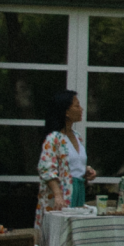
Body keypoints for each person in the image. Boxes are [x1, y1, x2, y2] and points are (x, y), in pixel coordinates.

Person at [36, 89, 96, 220]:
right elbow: (46, 168)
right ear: (66, 112)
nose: (81, 109)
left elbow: (70, 164)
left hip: (78, 191)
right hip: (61, 195)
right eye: (77, 105)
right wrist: (58, 195)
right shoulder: (53, 138)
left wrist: (86, 171)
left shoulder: (77, 137)